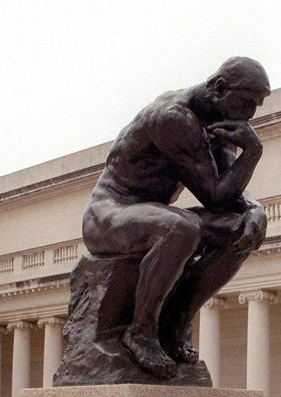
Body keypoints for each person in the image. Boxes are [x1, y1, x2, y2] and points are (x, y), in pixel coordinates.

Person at [82, 57, 271, 379]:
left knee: (242, 229)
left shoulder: (220, 121)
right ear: (219, 87)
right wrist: (253, 152)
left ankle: (176, 319)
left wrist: (255, 209)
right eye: (246, 102)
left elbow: (231, 188)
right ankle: (140, 332)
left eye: (257, 105)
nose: (250, 114)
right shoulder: (174, 117)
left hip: (150, 215)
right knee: (180, 228)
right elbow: (214, 196)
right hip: (109, 215)